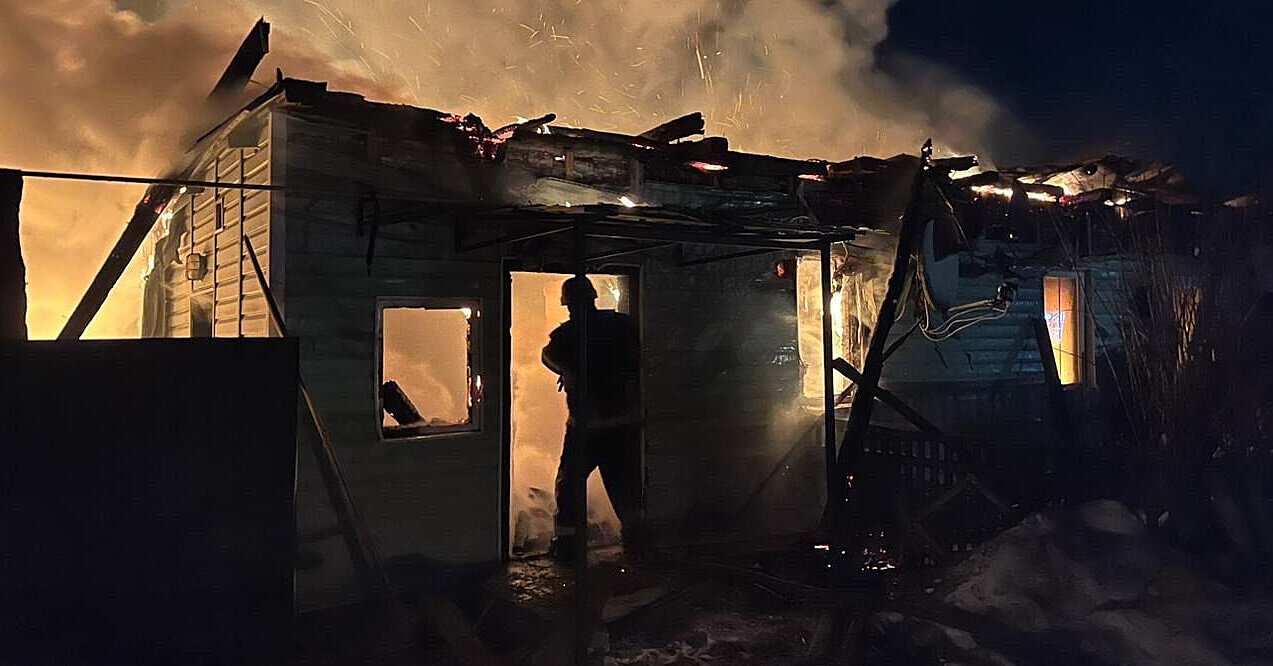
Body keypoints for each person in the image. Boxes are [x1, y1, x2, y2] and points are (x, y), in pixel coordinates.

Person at [541, 275, 642, 561]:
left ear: (569, 304)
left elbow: (547, 356)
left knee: (569, 484)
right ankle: (636, 543)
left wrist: (567, 371)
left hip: (586, 428)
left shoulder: (567, 334)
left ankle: (569, 546)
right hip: (623, 424)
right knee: (625, 486)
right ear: (593, 298)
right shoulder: (622, 325)